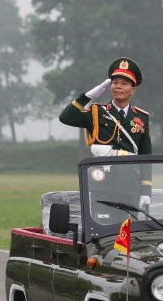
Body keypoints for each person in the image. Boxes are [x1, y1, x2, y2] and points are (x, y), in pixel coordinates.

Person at [59, 57, 152, 216]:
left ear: (133, 89)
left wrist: (146, 191)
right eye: (115, 82)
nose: (118, 87)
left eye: (124, 83)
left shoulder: (141, 118)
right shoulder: (97, 113)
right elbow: (66, 117)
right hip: (102, 184)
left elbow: (145, 158)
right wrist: (87, 97)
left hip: (129, 185)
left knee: (127, 232)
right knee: (101, 231)